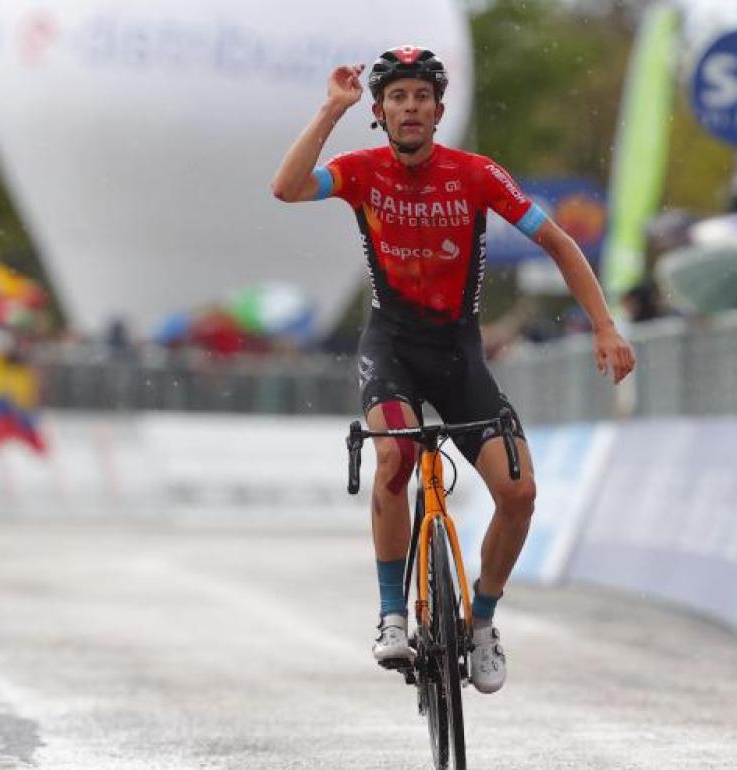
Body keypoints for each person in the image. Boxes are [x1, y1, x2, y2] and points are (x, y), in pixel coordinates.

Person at [271, 46, 634, 694]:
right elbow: (287, 187)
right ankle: (389, 614)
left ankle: (483, 621)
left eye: (422, 98)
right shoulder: (360, 170)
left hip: (461, 356)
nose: (411, 108)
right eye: (398, 98)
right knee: (394, 462)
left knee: (519, 495)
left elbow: (558, 241)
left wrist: (604, 326)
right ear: (380, 112)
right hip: (392, 351)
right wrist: (330, 110)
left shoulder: (477, 175)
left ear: (439, 110)